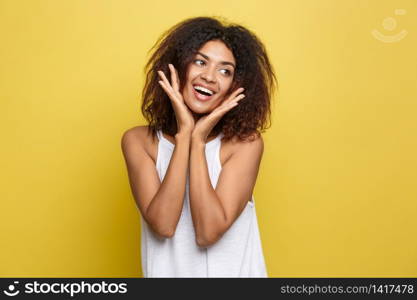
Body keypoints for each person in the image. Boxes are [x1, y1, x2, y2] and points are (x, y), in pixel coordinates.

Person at [121, 16, 277, 277]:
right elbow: (163, 225)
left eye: (225, 71)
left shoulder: (244, 145)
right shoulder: (139, 142)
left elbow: (208, 232)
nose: (210, 77)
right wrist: (186, 136)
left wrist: (198, 141)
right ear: (177, 66)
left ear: (236, 87)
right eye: (200, 62)